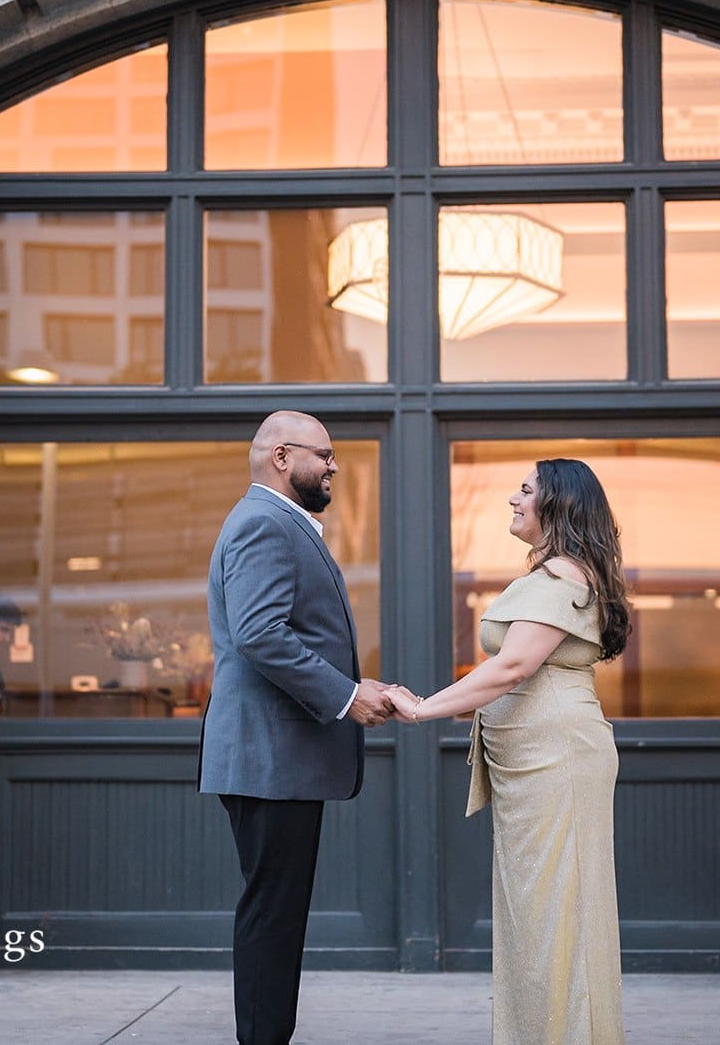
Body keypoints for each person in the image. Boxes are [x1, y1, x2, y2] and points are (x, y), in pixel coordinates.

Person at [388, 458, 631, 1045]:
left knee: (555, 912)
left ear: (559, 505)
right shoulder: (558, 576)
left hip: (557, 760)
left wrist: (422, 707)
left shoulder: (564, 578)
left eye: (525, 490)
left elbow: (514, 665)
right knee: (540, 913)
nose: (511, 499)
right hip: (538, 761)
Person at [198, 410, 398, 1045]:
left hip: (275, 755)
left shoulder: (279, 522)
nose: (334, 465)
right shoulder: (264, 523)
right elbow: (260, 633)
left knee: (277, 910)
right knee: (273, 913)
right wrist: (344, 697)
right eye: (325, 454)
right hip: (270, 756)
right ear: (282, 457)